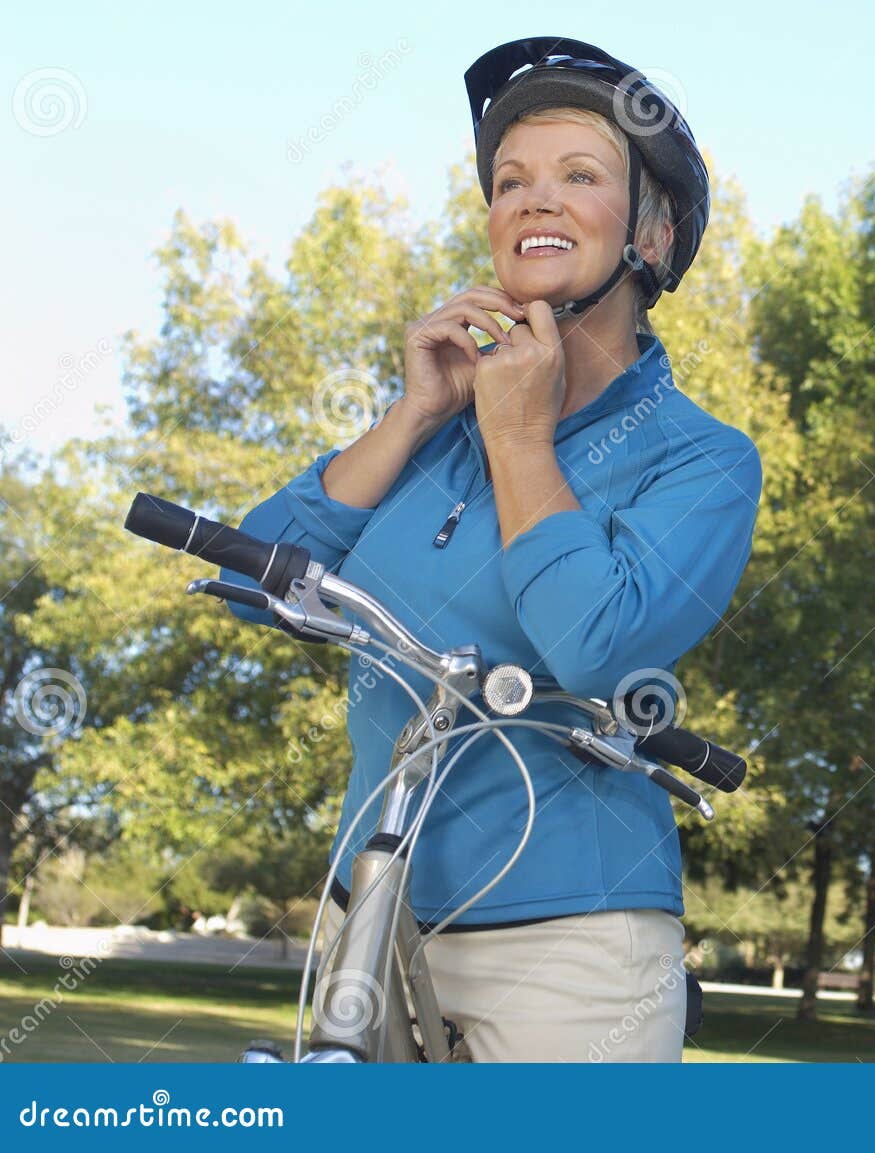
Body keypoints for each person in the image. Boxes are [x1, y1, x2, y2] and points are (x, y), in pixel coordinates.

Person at [220, 36, 760, 1061]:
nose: (534, 199)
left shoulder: (703, 460)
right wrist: (416, 414)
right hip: (373, 902)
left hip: (571, 933)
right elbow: (251, 577)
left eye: (579, 175)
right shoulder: (438, 434)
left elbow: (594, 645)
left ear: (653, 232)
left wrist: (518, 436)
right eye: (510, 181)